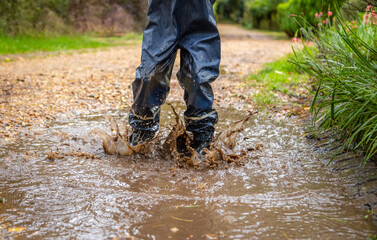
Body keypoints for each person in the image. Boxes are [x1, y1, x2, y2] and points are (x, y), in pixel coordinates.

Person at [129, 0, 221, 155]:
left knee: (198, 77)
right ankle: (142, 129)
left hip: (200, 18)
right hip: (162, 17)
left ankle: (202, 136)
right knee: (149, 75)